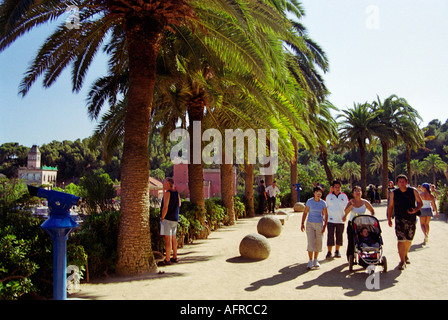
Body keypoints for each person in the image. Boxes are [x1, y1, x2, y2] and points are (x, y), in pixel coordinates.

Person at [387, 174, 423, 270]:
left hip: (411, 219)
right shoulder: (394, 193)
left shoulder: (413, 191)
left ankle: (405, 254)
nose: (402, 184)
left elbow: (420, 202)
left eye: (404, 182)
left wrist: (416, 209)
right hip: (399, 219)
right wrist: (389, 218)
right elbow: (390, 206)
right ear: (397, 183)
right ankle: (402, 261)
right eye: (400, 182)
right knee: (401, 240)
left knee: (409, 240)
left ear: (407, 182)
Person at [342, 185, 375, 262]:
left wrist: (371, 217)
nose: (358, 192)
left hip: (362, 225)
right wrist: (352, 205)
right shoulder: (351, 202)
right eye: (356, 191)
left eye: (359, 191)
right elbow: (345, 212)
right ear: (353, 193)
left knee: (362, 240)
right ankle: (350, 257)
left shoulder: (365, 202)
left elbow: (372, 210)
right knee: (351, 241)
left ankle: (363, 257)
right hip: (352, 224)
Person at [301, 186, 328, 269]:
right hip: (310, 224)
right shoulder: (309, 201)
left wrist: (324, 226)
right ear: (314, 193)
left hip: (319, 224)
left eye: (320, 193)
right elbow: (305, 212)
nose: (319, 194)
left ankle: (316, 259)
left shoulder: (323, 203)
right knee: (311, 241)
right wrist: (302, 223)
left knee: (319, 242)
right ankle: (310, 261)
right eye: (317, 192)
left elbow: (326, 214)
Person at [158, 177, 182, 266]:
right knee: (173, 238)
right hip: (175, 219)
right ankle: (175, 257)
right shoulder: (176, 193)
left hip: (167, 219)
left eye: (164, 183)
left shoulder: (167, 193)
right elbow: (179, 204)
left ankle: (167, 259)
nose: (163, 184)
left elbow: (165, 207)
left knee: (167, 239)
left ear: (168, 184)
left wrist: (162, 218)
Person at [325, 180, 349, 259]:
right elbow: (325, 207)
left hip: (340, 220)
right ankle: (329, 252)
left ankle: (337, 251)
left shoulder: (344, 196)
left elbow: (348, 207)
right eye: (335, 187)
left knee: (339, 236)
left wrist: (345, 215)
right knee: (330, 236)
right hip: (330, 220)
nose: (337, 188)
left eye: (338, 187)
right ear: (333, 188)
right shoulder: (329, 196)